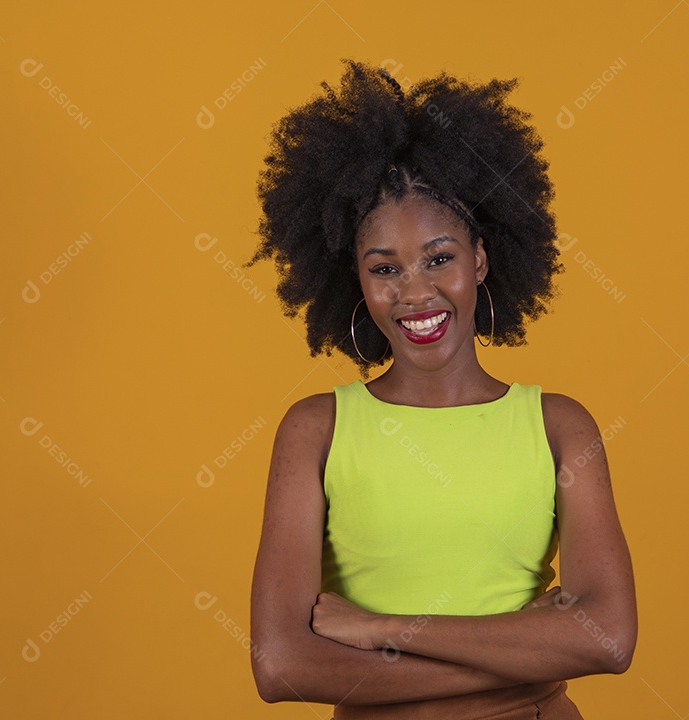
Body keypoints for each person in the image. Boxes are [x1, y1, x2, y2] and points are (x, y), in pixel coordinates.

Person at [246, 59, 637, 719]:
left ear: (480, 259)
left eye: (439, 258)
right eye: (385, 268)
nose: (415, 293)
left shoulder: (558, 427)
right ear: (356, 281)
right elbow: (282, 663)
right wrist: (528, 667)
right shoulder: (317, 431)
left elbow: (609, 638)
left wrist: (387, 631)